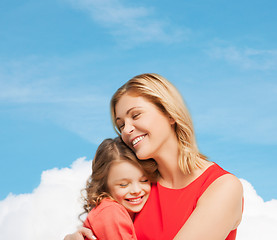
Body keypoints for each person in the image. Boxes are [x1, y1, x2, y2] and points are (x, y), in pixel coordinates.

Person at [65, 73, 243, 240]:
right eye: (121, 125)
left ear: (170, 113)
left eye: (136, 115)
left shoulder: (222, 187)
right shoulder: (140, 189)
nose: (126, 130)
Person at [68, 137, 152, 240]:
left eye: (144, 180)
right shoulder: (111, 212)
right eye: (124, 184)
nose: (136, 190)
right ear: (104, 185)